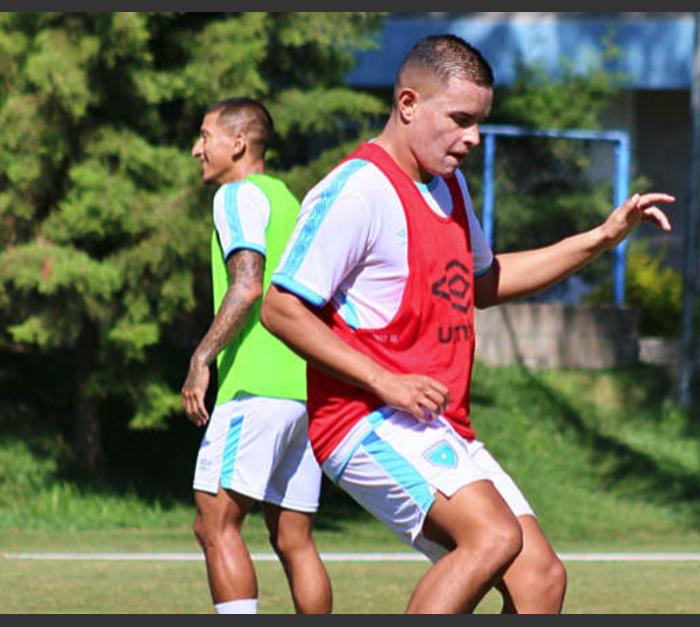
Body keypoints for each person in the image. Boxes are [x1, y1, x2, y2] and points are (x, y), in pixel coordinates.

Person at [261, 34, 673, 614]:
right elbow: (280, 308)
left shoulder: (449, 185)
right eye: (460, 119)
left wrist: (601, 239)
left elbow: (486, 281)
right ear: (408, 104)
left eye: (479, 121)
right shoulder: (357, 190)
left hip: (435, 421)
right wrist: (384, 381)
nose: (474, 137)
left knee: (540, 579)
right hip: (363, 418)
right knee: (493, 536)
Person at [182, 97, 332, 615]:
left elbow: (247, 285)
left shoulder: (236, 195)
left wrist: (201, 358)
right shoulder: (288, 200)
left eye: (206, 136)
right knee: (294, 538)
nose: (197, 149)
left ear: (239, 143)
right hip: (306, 390)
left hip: (256, 388)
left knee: (214, 524)